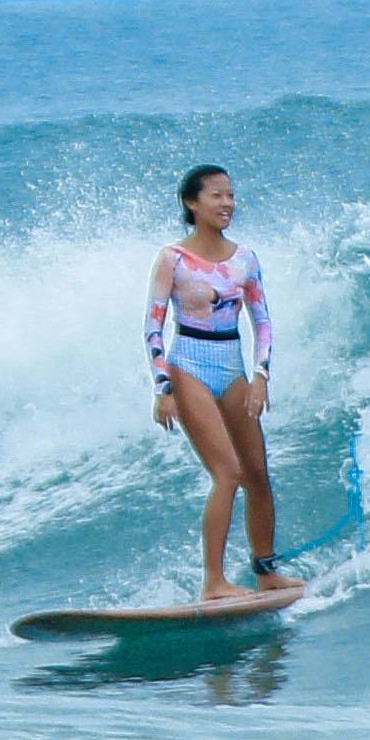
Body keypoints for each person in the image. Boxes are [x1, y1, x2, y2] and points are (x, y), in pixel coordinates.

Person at [146, 164, 291, 599]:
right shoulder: (173, 258)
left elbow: (262, 322)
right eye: (216, 196)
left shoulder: (245, 258)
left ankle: (267, 571)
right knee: (227, 473)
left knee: (258, 475)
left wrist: (261, 376)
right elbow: (153, 327)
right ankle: (213, 582)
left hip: (233, 369)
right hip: (188, 364)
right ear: (192, 203)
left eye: (230, 195)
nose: (227, 203)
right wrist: (162, 388)